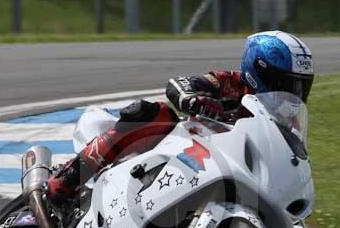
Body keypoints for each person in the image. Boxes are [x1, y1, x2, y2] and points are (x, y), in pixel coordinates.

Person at [46, 30, 315, 206]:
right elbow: (180, 83)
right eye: (285, 83)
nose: (293, 93)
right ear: (259, 71)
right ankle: (68, 177)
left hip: (222, 172)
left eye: (300, 86)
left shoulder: (285, 125)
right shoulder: (230, 82)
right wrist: (192, 98)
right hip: (181, 150)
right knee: (154, 114)